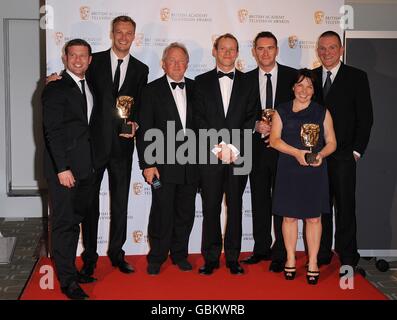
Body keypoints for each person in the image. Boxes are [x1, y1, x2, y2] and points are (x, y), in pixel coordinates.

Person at [80, 15, 149, 276]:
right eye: (119, 32)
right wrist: (56, 78)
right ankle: (89, 257)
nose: (123, 37)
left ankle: (117, 253)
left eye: (128, 33)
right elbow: (75, 78)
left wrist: (137, 124)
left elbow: (141, 106)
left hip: (122, 148)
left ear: (134, 36)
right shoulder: (93, 61)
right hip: (94, 146)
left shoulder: (141, 69)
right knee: (90, 204)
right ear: (112, 33)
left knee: (120, 202)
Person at [194, 33, 257, 275]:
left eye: (232, 49)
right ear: (215, 51)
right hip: (210, 156)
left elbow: (251, 116)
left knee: (236, 206)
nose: (228, 53)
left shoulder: (249, 82)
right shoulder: (200, 81)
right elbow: (197, 118)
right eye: (223, 49)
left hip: (239, 156)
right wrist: (217, 146)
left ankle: (232, 258)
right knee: (210, 207)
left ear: (238, 52)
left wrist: (234, 148)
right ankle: (210, 258)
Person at [313, 31, 373, 272]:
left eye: (332, 47)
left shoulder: (357, 77)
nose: (327, 52)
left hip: (345, 156)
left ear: (341, 50)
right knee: (321, 207)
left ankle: (348, 256)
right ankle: (323, 252)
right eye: (323, 48)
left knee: (346, 207)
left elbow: (366, 118)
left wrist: (357, 151)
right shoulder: (311, 77)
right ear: (318, 50)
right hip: (317, 155)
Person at [269, 68, 337, 284]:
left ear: (314, 90)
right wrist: (297, 153)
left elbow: (332, 142)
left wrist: (320, 155)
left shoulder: (322, 112)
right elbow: (274, 140)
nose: (304, 91)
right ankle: (290, 258)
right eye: (300, 85)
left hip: (314, 171)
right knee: (288, 217)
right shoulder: (281, 111)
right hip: (289, 168)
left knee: (314, 218)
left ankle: (314, 261)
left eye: (309, 86)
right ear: (293, 87)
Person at [137, 42, 199, 275]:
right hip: (161, 166)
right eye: (172, 60)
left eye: (181, 60)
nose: (176, 65)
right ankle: (157, 256)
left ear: (187, 64)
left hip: (191, 165)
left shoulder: (196, 88)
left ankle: (180, 254)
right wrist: (147, 164)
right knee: (161, 211)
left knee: (186, 211)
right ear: (163, 64)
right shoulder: (151, 91)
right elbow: (144, 131)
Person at [42, 39, 95, 299]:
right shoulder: (55, 88)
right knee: (64, 224)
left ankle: (70, 270)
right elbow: (52, 132)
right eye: (73, 55)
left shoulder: (91, 85)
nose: (77, 60)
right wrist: (62, 168)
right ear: (65, 57)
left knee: (74, 222)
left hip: (85, 169)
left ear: (90, 59)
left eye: (82, 56)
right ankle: (68, 282)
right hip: (63, 170)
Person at [241, 31, 297, 273]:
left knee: (282, 201)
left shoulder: (292, 77)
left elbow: (300, 111)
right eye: (260, 48)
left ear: (277, 50)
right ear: (254, 51)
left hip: (284, 151)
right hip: (256, 150)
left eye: (270, 48)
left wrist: (280, 127)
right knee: (259, 200)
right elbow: (239, 114)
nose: (265, 53)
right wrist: (255, 124)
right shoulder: (244, 80)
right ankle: (261, 248)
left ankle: (281, 252)